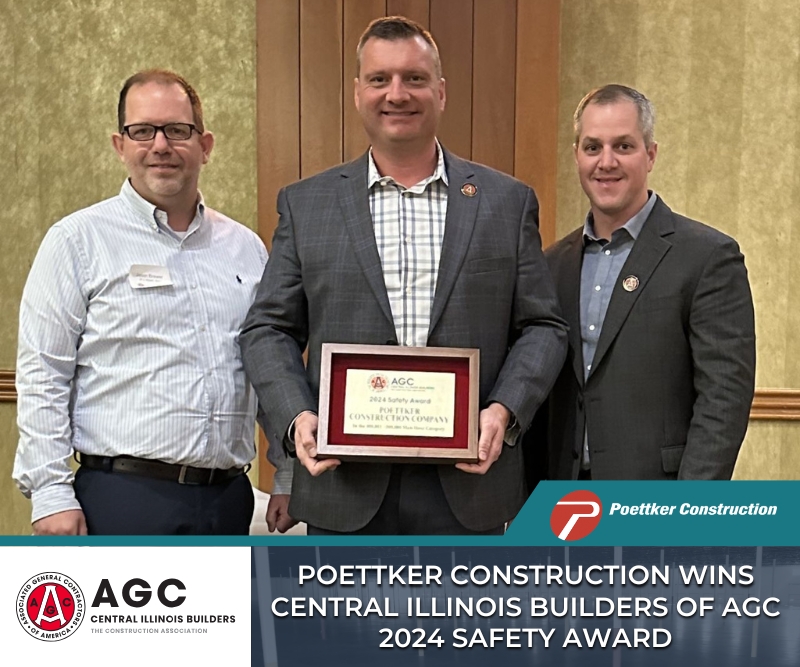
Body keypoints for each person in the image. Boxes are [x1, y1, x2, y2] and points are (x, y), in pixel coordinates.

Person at [240, 16, 567, 535]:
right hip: (343, 487)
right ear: (357, 92)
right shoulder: (307, 204)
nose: (397, 94)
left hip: (469, 486)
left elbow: (543, 328)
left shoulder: (506, 202)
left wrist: (503, 411)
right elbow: (267, 329)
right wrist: (297, 417)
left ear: (440, 92)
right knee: (339, 621)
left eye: (414, 78)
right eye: (379, 79)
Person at [13, 69, 292, 535]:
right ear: (120, 145)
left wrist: (286, 470)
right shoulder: (77, 241)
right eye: (142, 131)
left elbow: (266, 367)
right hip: (122, 499)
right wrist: (49, 492)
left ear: (205, 145)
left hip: (228, 500)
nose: (160, 145)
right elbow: (43, 372)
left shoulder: (246, 248)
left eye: (177, 131)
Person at [540, 84, 755, 481]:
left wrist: (687, 514)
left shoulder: (708, 257)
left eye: (623, 146)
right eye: (592, 148)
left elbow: (724, 400)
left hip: (659, 500)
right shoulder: (551, 265)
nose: (606, 162)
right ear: (576, 157)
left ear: (651, 154)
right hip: (561, 502)